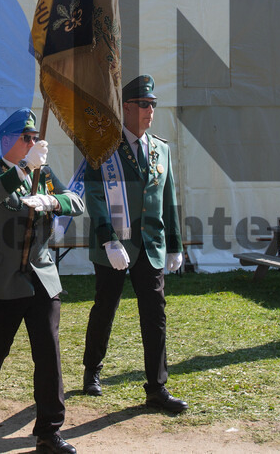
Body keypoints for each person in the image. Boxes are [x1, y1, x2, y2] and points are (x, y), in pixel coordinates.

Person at [0, 108, 84, 454]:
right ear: (6, 141)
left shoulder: (42, 174)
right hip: (1, 281)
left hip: (41, 277)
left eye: (34, 138)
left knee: (48, 353)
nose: (32, 143)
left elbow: (75, 200)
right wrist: (24, 168)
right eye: (25, 138)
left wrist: (53, 201)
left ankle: (49, 431)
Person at [81, 74, 188, 414]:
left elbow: (169, 199)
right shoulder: (104, 148)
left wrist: (175, 244)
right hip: (116, 244)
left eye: (153, 105)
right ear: (125, 107)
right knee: (105, 307)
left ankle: (157, 387)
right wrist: (107, 240)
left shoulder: (161, 149)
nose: (149, 111)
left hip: (151, 244)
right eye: (143, 104)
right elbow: (95, 196)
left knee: (155, 315)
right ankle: (92, 370)